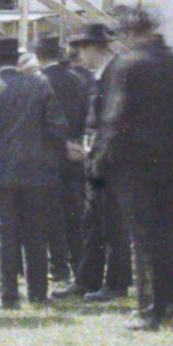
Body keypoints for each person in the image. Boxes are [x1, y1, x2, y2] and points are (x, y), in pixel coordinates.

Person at [93, 6, 173, 330]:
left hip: (135, 165)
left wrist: (101, 159)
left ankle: (151, 309)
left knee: (143, 238)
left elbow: (115, 117)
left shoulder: (127, 65)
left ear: (130, 34)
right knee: (171, 234)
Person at [0, 35, 67, 308]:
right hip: (36, 172)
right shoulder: (40, 86)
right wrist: (46, 156)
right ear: (17, 59)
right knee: (35, 232)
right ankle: (38, 293)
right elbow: (58, 128)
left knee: (3, 232)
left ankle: (7, 294)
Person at [65, 23, 133, 302]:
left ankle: (116, 283)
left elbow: (117, 122)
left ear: (95, 47)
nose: (79, 55)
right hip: (96, 161)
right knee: (92, 222)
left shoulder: (116, 74)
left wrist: (94, 150)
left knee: (114, 225)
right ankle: (86, 279)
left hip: (112, 163)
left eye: (82, 48)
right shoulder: (101, 75)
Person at [33, 33, 94, 289]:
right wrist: (76, 141)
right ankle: (80, 267)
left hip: (47, 156)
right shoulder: (77, 79)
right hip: (74, 153)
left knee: (50, 216)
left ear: (37, 55)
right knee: (74, 214)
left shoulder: (38, 82)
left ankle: (59, 269)